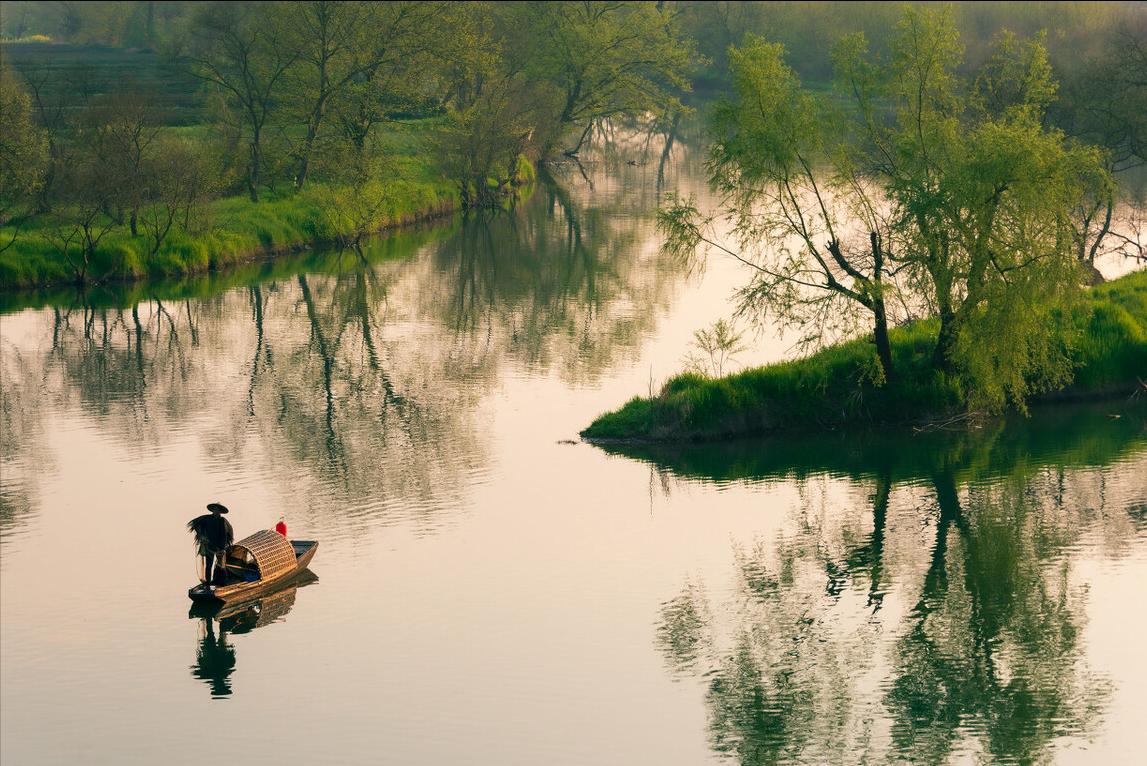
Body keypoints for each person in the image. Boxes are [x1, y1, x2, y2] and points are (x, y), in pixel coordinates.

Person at [187, 502, 235, 585]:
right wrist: (202, 536)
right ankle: (208, 584)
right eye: (215, 509)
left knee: (221, 566)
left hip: (220, 547)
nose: (216, 511)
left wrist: (222, 549)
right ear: (212, 510)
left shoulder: (222, 521)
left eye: (218, 510)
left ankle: (221, 583)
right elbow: (195, 525)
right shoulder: (206, 519)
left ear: (220, 511)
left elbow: (224, 536)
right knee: (208, 565)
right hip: (209, 546)